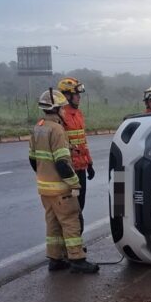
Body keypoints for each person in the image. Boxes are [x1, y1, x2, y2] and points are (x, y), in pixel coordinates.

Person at [29, 88, 99, 273]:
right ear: (57, 108)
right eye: (62, 107)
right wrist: (74, 183)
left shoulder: (39, 127)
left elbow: (33, 159)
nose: (63, 110)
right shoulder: (57, 130)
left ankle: (55, 259)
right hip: (61, 189)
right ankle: (77, 259)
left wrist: (45, 176)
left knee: (52, 225)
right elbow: (62, 163)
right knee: (70, 222)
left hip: (45, 189)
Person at [57, 77, 95, 232]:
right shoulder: (61, 116)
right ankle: (73, 244)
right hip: (69, 170)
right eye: (76, 94)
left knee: (81, 205)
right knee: (72, 210)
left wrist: (89, 163)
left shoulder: (78, 114)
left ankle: (76, 242)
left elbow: (82, 141)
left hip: (81, 168)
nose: (79, 97)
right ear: (66, 95)